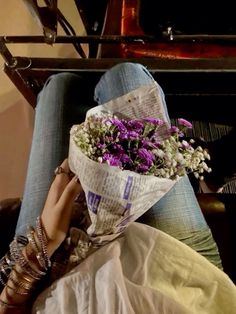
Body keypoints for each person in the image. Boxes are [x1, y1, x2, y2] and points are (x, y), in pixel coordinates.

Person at [0, 63, 235, 314]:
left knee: (60, 86)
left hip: (48, 276)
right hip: (179, 275)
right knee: (126, 75)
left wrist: (41, 244)